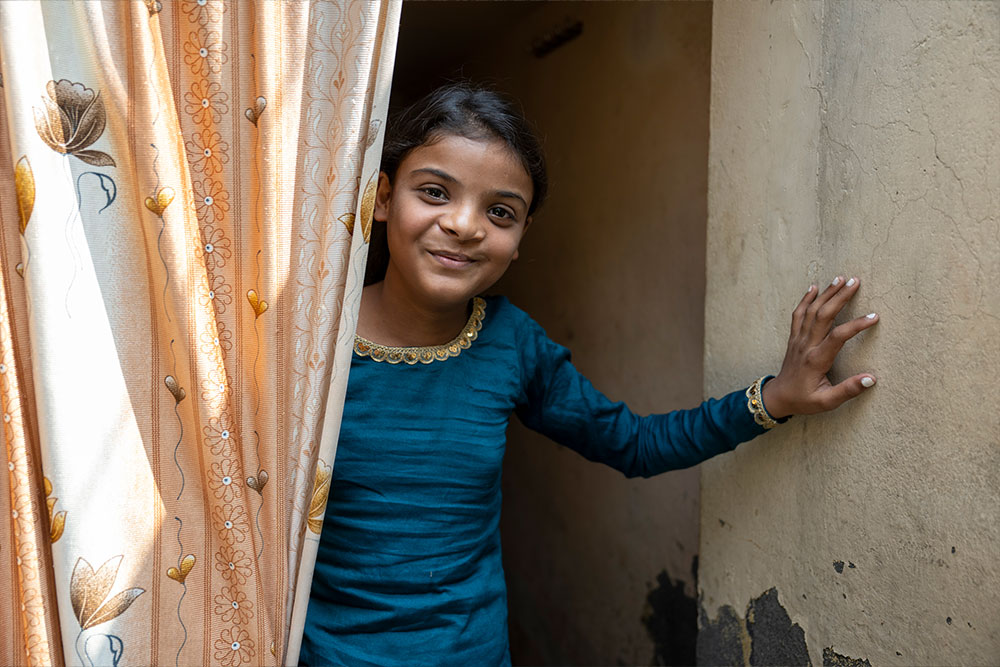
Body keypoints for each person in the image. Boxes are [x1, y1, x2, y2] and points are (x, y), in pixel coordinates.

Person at [299, 83, 879, 666]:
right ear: (381, 198)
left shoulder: (510, 344)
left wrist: (777, 397)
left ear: (520, 238)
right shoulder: (305, 349)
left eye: (500, 211)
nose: (465, 224)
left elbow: (634, 444)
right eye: (434, 192)